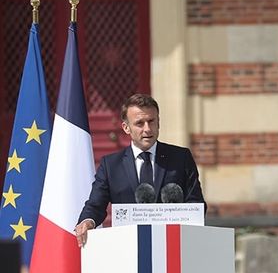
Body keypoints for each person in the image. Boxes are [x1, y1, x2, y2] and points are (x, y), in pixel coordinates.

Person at [75, 93, 206, 247]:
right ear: (126, 127)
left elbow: (196, 203)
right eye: (140, 123)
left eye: (151, 121)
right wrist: (87, 221)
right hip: (127, 248)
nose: (147, 129)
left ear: (159, 123)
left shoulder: (181, 158)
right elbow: (95, 205)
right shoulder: (111, 165)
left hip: (172, 247)